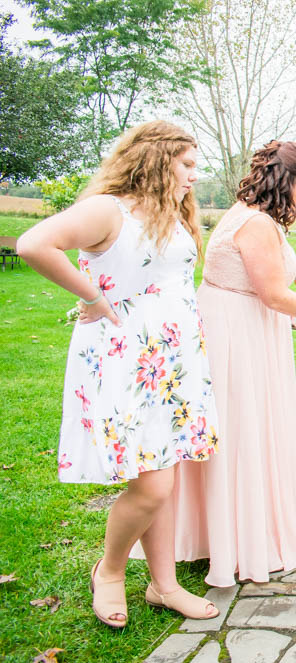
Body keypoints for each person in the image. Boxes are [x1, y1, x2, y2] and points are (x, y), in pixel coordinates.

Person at [16, 120, 221, 627]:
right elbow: (33, 243)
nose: (194, 175)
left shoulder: (170, 212)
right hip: (125, 360)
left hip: (173, 362)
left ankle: (163, 585)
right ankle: (108, 571)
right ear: (155, 160)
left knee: (162, 476)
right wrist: (92, 296)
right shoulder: (108, 210)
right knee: (152, 486)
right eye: (186, 164)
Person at [169, 140, 296, 587]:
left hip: (242, 324)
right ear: (281, 183)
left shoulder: (250, 215)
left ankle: (226, 531)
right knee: (242, 430)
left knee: (239, 429)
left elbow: (263, 283)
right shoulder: (256, 224)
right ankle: (243, 538)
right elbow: (272, 294)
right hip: (237, 335)